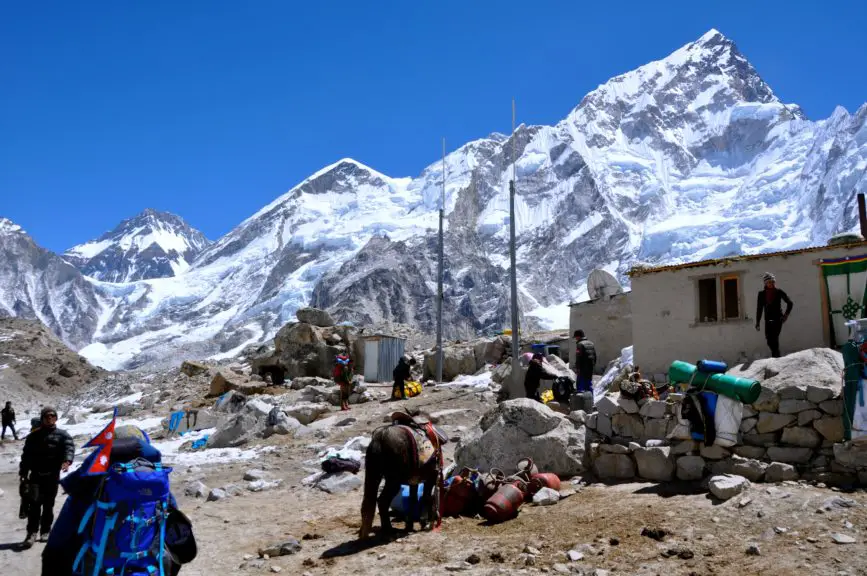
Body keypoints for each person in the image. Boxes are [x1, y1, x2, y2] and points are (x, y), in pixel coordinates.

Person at [42, 425, 195, 575]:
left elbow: (58, 543)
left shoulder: (92, 485)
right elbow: (176, 539)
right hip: (146, 570)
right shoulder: (157, 486)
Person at [19, 406, 74, 547]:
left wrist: (67, 461)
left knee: (48, 506)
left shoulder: (63, 435)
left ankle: (45, 531)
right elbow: (26, 456)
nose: (49, 418)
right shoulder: (32, 437)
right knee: (34, 506)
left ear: (56, 418)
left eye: (52, 416)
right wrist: (23, 473)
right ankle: (31, 533)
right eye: (47, 416)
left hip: (52, 476)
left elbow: (69, 447)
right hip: (36, 477)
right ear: (42, 418)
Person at [755, 272, 793, 358]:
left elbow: (790, 303)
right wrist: (757, 322)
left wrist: (785, 315)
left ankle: (776, 359)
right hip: (767, 320)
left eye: (773, 282)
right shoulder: (761, 294)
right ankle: (776, 357)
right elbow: (759, 309)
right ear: (765, 283)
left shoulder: (779, 292)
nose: (771, 283)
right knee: (769, 341)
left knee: (775, 339)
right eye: (769, 282)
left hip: (778, 319)